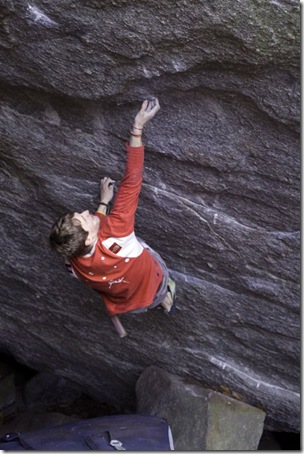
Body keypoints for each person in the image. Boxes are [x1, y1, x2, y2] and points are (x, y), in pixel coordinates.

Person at [49, 98, 176, 334]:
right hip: (151, 284)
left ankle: (159, 302)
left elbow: (96, 240)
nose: (86, 212)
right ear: (86, 239)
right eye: (85, 217)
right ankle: (166, 298)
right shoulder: (119, 230)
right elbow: (132, 180)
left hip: (124, 299)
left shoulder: (72, 263)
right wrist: (137, 127)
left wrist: (103, 203)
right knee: (160, 280)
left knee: (134, 290)